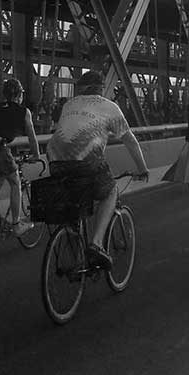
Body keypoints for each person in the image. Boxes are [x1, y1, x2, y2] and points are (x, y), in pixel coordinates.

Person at [47, 71, 150, 269]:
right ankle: (96, 244)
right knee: (110, 191)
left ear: (82, 89)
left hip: (56, 162)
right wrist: (142, 168)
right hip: (86, 162)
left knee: (76, 202)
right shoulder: (109, 107)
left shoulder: (69, 105)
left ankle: (75, 248)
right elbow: (130, 141)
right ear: (101, 89)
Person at [0, 79, 41, 236]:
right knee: (15, 182)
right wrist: (36, 155)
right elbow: (32, 136)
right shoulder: (24, 111)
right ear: (19, 95)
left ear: (4, 94)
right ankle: (16, 225)